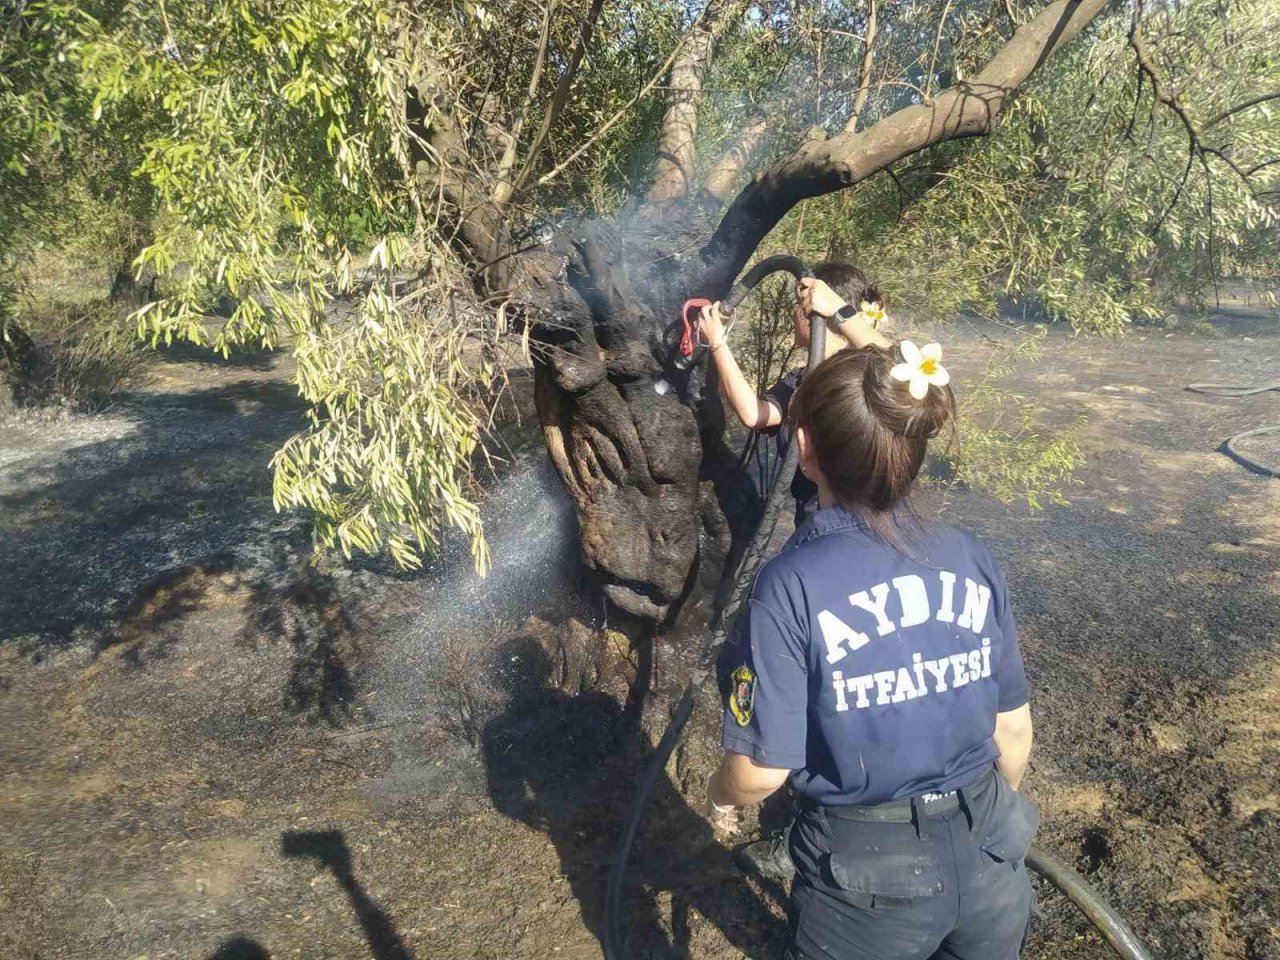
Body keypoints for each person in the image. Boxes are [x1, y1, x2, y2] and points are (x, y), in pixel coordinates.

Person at [704, 278, 1038, 960]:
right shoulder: (969, 557)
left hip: (864, 882)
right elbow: (1014, 730)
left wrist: (720, 794)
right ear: (911, 446)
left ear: (806, 448)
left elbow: (761, 773)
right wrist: (973, 833)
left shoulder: (789, 586)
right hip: (992, 855)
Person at [698, 263, 888, 525]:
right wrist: (718, 342)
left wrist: (837, 309)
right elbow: (755, 414)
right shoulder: (802, 378)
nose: (794, 313)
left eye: (799, 305)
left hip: (862, 528)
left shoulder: (866, 374)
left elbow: (899, 365)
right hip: (813, 523)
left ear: (816, 310)